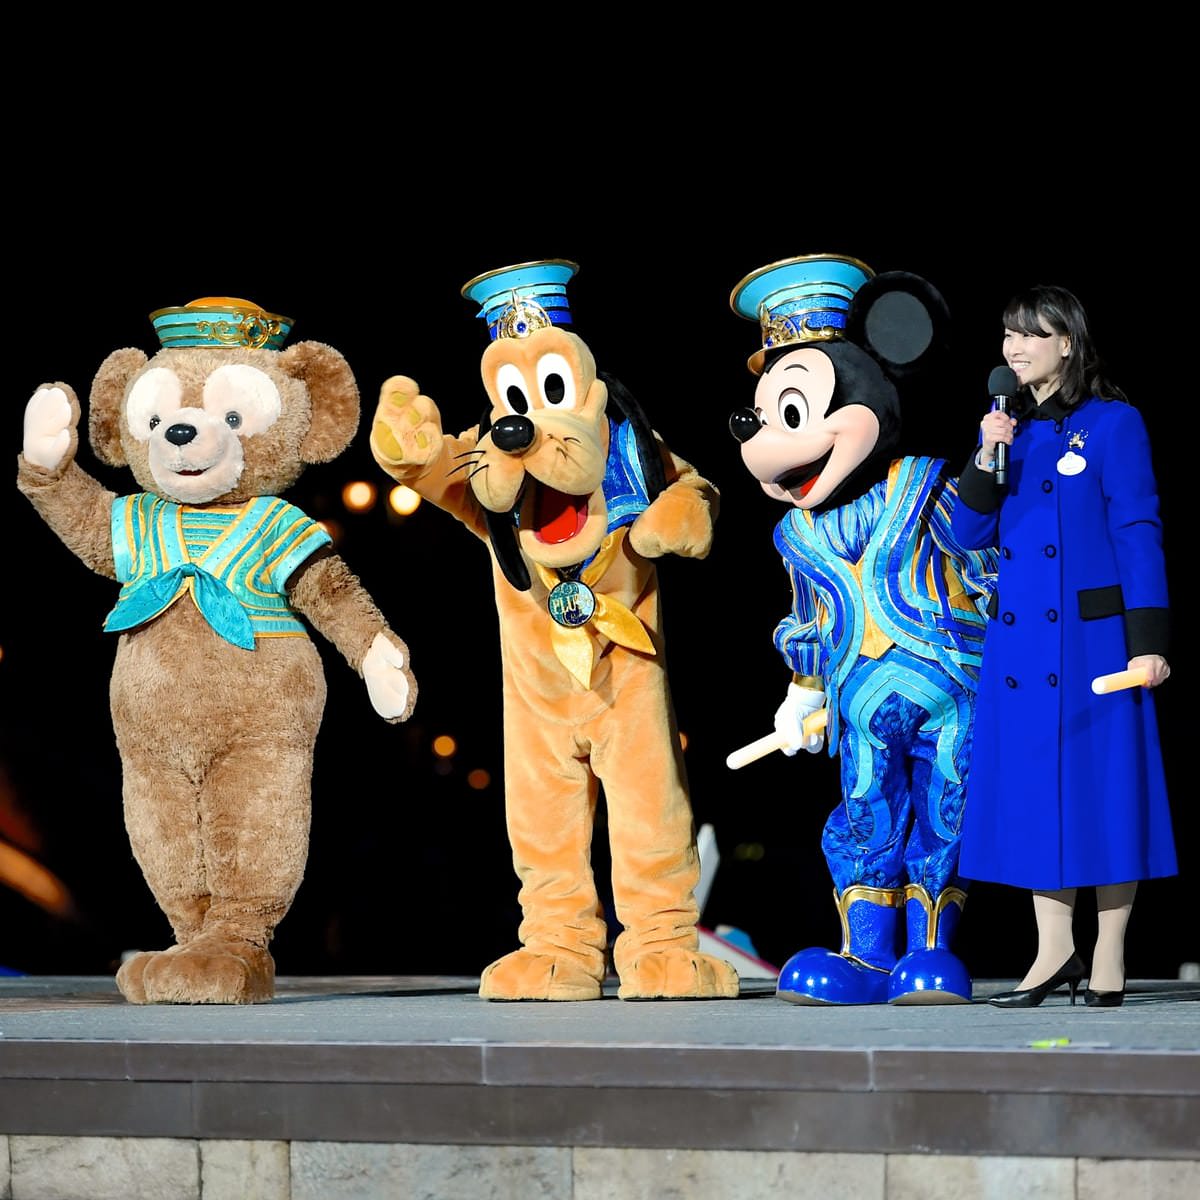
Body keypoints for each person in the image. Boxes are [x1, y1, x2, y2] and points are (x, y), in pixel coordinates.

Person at [951, 284, 1177, 1009]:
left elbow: (1136, 532)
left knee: (1105, 790)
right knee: (1033, 794)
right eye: (1008, 335)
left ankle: (1108, 950)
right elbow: (966, 533)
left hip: (1094, 644)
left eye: (1030, 334)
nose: (1014, 348)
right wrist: (987, 451)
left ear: (1068, 343)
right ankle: (1054, 950)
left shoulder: (1114, 423)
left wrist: (1148, 641)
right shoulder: (1008, 430)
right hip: (1020, 650)